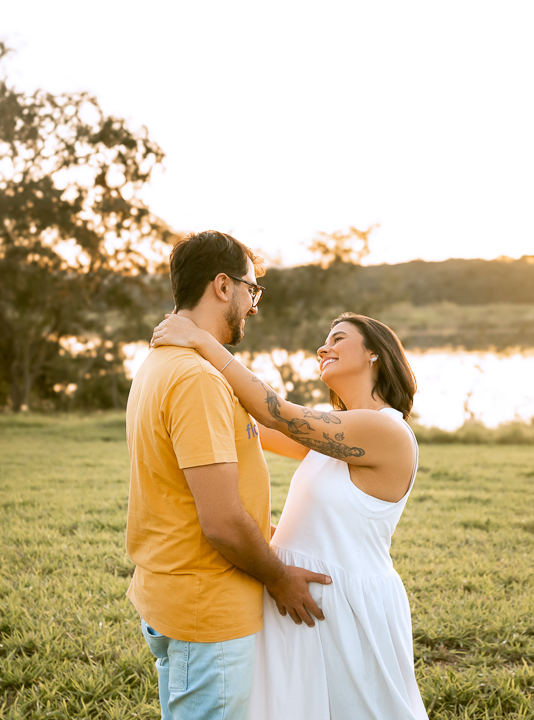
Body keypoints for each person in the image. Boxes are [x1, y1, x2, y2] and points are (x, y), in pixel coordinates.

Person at [150, 309, 430, 720]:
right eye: (326, 339)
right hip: (301, 599)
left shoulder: (384, 431)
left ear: (375, 354)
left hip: (346, 603)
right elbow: (245, 427)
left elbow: (273, 412)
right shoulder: (336, 432)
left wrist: (202, 341)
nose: (324, 347)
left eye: (338, 338)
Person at [125, 231, 330, 720]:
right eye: (251, 289)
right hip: (207, 611)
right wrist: (280, 579)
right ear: (222, 286)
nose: (254, 305)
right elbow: (220, 520)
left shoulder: (165, 362)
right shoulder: (196, 379)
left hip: (173, 595)